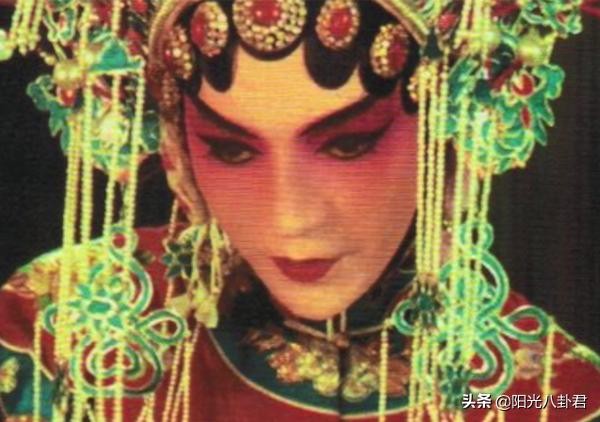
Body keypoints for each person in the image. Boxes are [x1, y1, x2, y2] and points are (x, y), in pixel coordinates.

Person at [0, 0, 598, 421]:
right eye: (232, 150)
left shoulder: (542, 395)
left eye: (349, 145)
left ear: (446, 131)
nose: (290, 218)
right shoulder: (64, 330)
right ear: (178, 149)